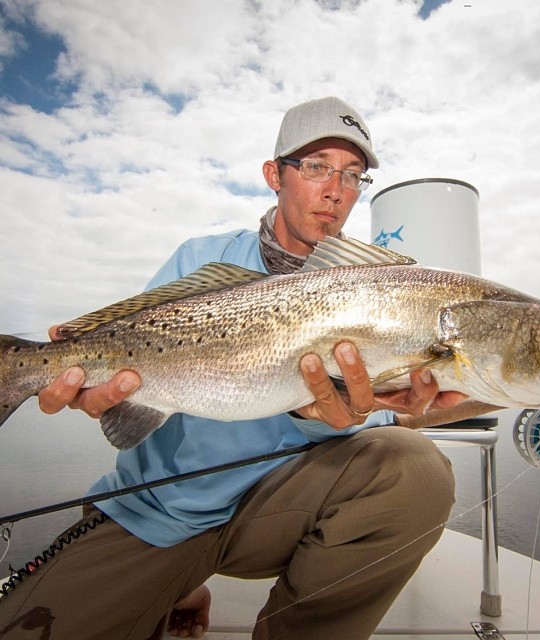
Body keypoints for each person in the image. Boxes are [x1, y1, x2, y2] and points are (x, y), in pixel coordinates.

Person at [0, 97, 464, 640]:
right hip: (159, 511)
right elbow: (126, 385)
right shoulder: (203, 257)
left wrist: (330, 415)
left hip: (274, 513)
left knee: (414, 469)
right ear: (275, 175)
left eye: (353, 175)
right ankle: (175, 580)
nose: (335, 190)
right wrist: (90, 380)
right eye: (316, 167)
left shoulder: (376, 293)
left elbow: (372, 425)